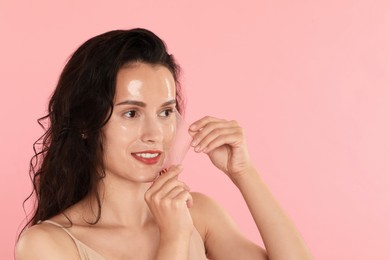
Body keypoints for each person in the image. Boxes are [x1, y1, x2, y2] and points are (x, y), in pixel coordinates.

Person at [15, 28, 312, 259]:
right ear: (85, 125)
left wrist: (244, 173)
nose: (155, 133)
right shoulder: (46, 245)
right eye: (131, 113)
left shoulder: (199, 213)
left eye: (166, 112)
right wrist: (174, 240)